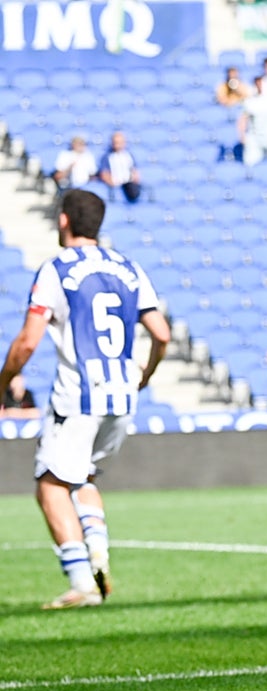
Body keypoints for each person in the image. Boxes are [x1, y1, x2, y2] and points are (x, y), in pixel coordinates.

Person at [0, 190, 169, 609]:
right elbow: (162, 333)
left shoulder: (57, 269)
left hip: (79, 396)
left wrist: (4, 380)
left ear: (63, 221)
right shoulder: (127, 266)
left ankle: (82, 582)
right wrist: (144, 375)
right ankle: (98, 551)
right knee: (84, 476)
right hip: (121, 397)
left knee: (50, 485)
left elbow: (28, 340)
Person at [97, 132, 141, 204]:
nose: (117, 145)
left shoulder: (129, 155)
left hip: (129, 185)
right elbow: (104, 174)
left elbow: (135, 172)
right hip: (114, 185)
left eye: (120, 142)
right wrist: (114, 185)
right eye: (115, 142)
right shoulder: (106, 157)